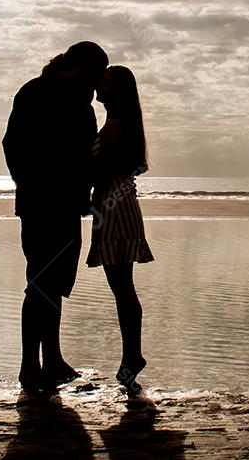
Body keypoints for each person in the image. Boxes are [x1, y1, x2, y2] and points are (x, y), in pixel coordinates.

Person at [2, 41, 108, 392]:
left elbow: (90, 152)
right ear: (78, 68)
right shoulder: (36, 91)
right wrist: (32, 184)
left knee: (55, 284)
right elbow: (13, 145)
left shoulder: (80, 102)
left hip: (67, 204)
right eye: (94, 76)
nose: (96, 87)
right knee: (41, 284)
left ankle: (54, 358)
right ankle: (30, 366)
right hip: (41, 203)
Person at [87, 65, 154, 393]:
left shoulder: (114, 125)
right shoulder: (121, 124)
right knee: (123, 287)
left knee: (122, 288)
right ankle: (132, 356)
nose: (100, 85)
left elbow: (103, 170)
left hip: (114, 208)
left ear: (117, 92)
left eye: (107, 82)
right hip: (119, 206)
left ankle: (133, 357)